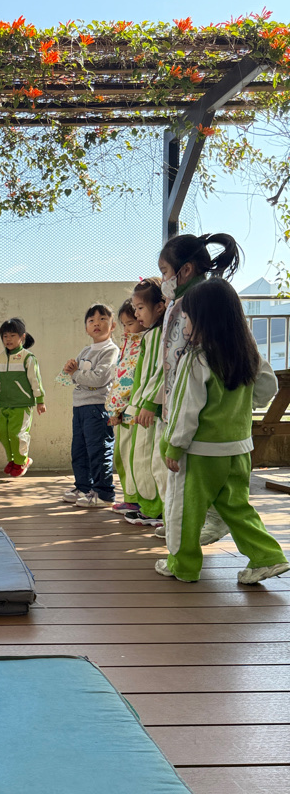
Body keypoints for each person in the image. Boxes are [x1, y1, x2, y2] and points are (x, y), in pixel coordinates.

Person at [156, 277, 288, 584]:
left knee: (184, 511)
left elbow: (185, 409)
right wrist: (241, 407)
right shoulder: (248, 354)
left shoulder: (197, 358)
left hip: (200, 454)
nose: (186, 325)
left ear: (205, 320)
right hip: (239, 450)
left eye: (188, 318)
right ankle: (268, 556)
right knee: (237, 507)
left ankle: (183, 565)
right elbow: (268, 387)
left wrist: (174, 445)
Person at [157, 232, 241, 544]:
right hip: (184, 405)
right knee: (185, 478)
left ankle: (187, 538)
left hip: (198, 410)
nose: (163, 279)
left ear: (186, 269)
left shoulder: (199, 301)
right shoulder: (182, 302)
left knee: (189, 479)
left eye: (165, 271)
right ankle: (180, 527)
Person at [120, 278, 168, 529]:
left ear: (159, 307)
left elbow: (161, 372)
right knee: (137, 458)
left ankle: (155, 510)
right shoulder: (149, 335)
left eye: (140, 308)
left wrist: (150, 403)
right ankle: (147, 507)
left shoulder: (160, 334)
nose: (136, 314)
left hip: (150, 410)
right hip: (140, 406)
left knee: (150, 461)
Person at [62, 304, 119, 507]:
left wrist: (75, 373)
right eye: (91, 320)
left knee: (99, 450)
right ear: (86, 328)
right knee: (79, 450)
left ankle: (104, 493)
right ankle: (84, 487)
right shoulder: (86, 350)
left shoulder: (111, 350)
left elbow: (99, 378)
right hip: (79, 407)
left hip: (98, 407)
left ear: (112, 325)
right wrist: (70, 369)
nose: (97, 323)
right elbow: (71, 376)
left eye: (102, 319)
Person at [106, 298, 144, 515]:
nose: (126, 329)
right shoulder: (129, 342)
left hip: (131, 410)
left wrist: (117, 408)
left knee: (133, 458)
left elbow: (129, 379)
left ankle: (137, 499)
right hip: (122, 410)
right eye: (124, 324)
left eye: (130, 323)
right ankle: (130, 498)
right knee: (122, 456)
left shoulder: (142, 343)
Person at [0, 318, 46, 477]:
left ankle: (22, 461)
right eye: (5, 336)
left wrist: (40, 400)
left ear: (22, 337)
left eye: (12, 335)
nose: (8, 339)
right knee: (2, 433)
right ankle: (13, 459)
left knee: (17, 434)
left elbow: (35, 380)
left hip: (22, 403)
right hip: (5, 403)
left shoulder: (28, 358)